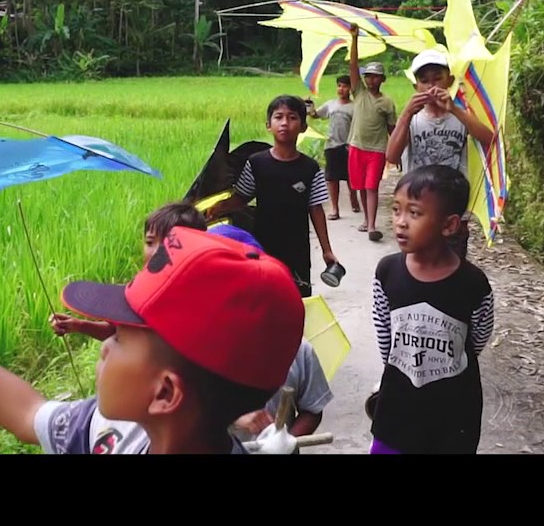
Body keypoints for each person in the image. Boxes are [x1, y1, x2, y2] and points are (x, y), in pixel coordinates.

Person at [0, 225, 305, 455]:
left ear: (165, 393)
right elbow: (29, 414)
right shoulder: (113, 430)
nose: (104, 345)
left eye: (120, 337)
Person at [368, 165, 495, 454]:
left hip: (454, 413)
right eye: (397, 210)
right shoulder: (387, 273)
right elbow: (385, 337)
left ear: (449, 225)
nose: (400, 222)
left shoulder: (473, 284)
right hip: (397, 407)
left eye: (414, 213)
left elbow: (477, 339)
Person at [210, 224, 334, 440]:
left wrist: (286, 441)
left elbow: (312, 410)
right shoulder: (190, 353)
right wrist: (230, 416)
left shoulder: (296, 348)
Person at [210, 95, 338, 297]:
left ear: (304, 127)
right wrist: (218, 207)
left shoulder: (310, 168)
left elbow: (316, 209)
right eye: (279, 117)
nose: (285, 123)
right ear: (268, 125)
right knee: (265, 297)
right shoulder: (256, 163)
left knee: (297, 297)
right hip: (263, 245)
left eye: (292, 117)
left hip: (298, 248)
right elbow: (241, 198)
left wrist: (327, 250)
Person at [385, 49, 494, 261]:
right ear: (416, 86)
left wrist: (455, 109)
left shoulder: (461, 117)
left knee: (453, 265)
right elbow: (391, 155)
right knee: (418, 264)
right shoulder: (413, 119)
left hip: (451, 205)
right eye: (424, 81)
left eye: (437, 79)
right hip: (418, 207)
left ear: (449, 81)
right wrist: (407, 113)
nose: (431, 86)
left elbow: (489, 140)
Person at [49, 202, 205, 341]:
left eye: (167, 243)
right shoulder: (140, 288)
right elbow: (119, 330)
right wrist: (79, 325)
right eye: (150, 242)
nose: (156, 251)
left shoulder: (195, 302)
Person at [345, 24, 398, 241]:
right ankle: (367, 220)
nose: (371, 80)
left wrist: (395, 154)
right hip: (356, 146)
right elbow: (353, 64)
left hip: (377, 150)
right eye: (368, 76)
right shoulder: (358, 92)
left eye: (375, 76)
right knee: (360, 187)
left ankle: (372, 226)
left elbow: (393, 129)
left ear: (382, 79)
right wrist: (354, 39)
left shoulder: (387, 102)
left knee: (371, 187)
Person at [306, 75, 361, 220]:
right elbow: (315, 115)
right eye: (339, 86)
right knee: (332, 178)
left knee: (351, 176)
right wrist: (309, 106)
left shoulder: (355, 106)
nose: (341, 89)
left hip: (349, 146)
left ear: (350, 88)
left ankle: (353, 198)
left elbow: (359, 126)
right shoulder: (331, 104)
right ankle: (334, 208)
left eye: (345, 86)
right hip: (331, 145)